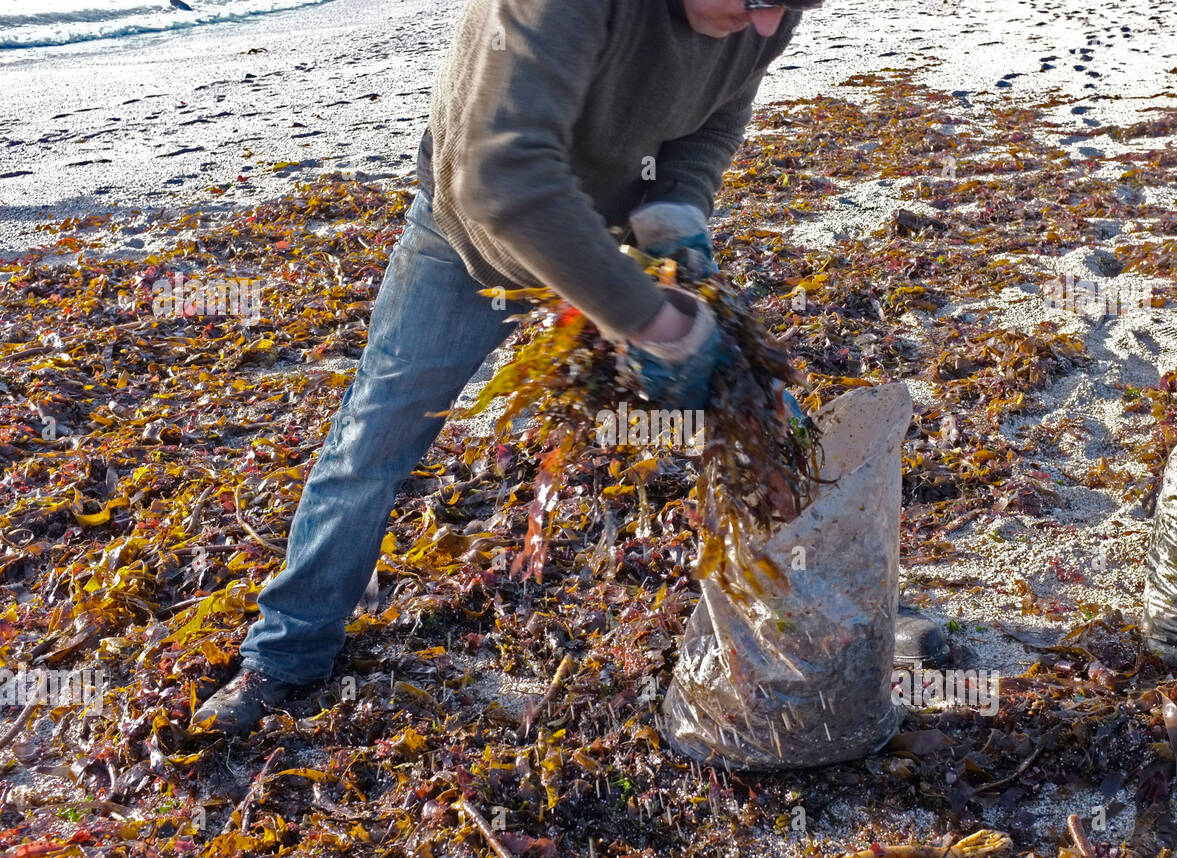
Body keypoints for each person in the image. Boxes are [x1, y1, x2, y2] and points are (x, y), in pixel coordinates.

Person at [194, 0, 945, 737]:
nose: (770, 25)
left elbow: (717, 116)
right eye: (755, 1)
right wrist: (652, 320)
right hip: (472, 241)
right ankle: (286, 654)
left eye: (793, 4)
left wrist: (677, 214)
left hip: (620, 226)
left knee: (754, 413)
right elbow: (502, 177)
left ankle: (848, 610)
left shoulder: (767, 9)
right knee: (374, 440)